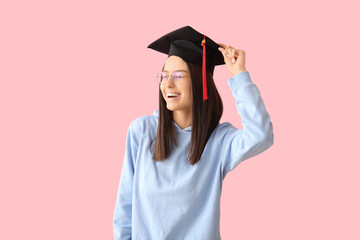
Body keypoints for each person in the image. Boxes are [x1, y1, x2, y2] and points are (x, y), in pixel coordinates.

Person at [113, 26, 274, 240]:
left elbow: (261, 135)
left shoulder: (219, 141)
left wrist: (239, 75)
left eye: (178, 76)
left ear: (200, 82)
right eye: (163, 75)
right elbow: (125, 207)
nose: (167, 84)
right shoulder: (142, 131)